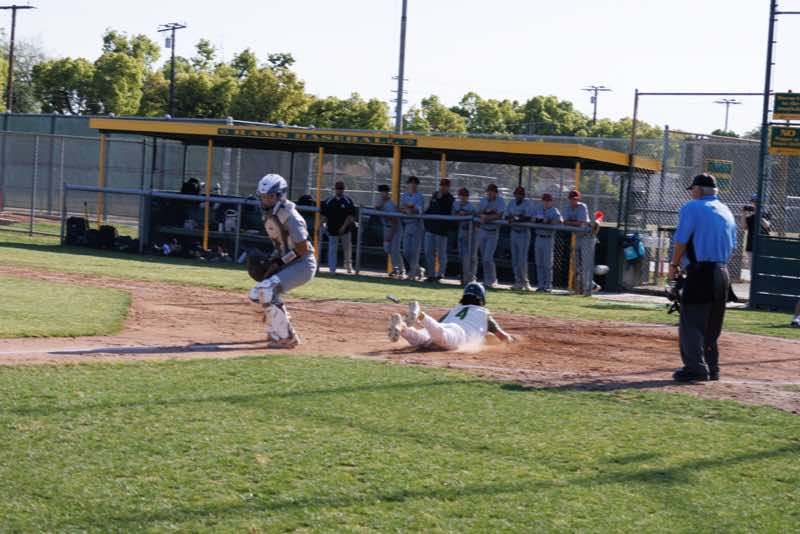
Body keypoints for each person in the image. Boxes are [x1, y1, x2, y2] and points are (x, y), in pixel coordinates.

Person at [668, 173, 736, 382]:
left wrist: (674, 264)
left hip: (701, 273)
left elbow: (681, 240)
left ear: (698, 190)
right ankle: (712, 367)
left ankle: (695, 368)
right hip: (722, 272)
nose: (691, 193)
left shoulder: (692, 207)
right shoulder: (726, 209)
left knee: (691, 323)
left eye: (692, 189)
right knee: (712, 326)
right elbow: (732, 244)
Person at [247, 174, 317, 349]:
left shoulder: (290, 216)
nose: (266, 201)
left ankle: (287, 338)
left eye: (270, 197)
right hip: (289, 263)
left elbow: (303, 248)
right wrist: (273, 261)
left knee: (266, 290)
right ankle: (277, 328)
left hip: (303, 265)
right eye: (263, 197)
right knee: (255, 296)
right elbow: (282, 246)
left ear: (281, 195)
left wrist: (278, 263)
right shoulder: (270, 214)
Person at [387, 282, 515, 350]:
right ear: (482, 298)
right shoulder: (484, 314)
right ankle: (420, 314)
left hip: (444, 326)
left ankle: (402, 328)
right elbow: (503, 337)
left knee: (422, 341)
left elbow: (437, 325)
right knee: (440, 337)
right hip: (458, 334)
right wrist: (513, 342)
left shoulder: (456, 309)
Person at [321, 180, 356, 275]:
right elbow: (324, 216)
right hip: (332, 229)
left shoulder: (348, 201)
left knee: (347, 249)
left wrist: (343, 227)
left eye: (341, 188)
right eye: (338, 188)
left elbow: (350, 216)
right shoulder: (328, 201)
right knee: (332, 249)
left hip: (345, 230)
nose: (340, 190)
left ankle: (348, 266)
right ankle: (332, 269)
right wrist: (322, 226)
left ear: (344, 189)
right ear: (335, 189)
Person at [423, 178, 455, 282]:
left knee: (441, 253)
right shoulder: (434, 195)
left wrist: (440, 199)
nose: (443, 187)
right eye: (442, 185)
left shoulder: (450, 198)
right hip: (431, 228)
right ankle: (431, 274)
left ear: (448, 187)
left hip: (441, 230)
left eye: (445, 186)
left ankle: (440, 274)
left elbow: (446, 210)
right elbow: (429, 209)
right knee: (428, 252)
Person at [504, 186, 535, 291]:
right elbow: (506, 216)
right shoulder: (511, 203)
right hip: (514, 232)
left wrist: (515, 218)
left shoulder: (527, 203)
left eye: (520, 194)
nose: (518, 196)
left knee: (522, 260)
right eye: (517, 194)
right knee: (515, 260)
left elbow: (528, 217)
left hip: (523, 233)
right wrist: (514, 217)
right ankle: (518, 282)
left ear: (523, 195)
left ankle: (526, 282)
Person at [475, 183, 506, 288]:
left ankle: (492, 280)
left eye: (491, 191)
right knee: (484, 258)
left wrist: (487, 217)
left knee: (488, 257)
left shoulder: (500, 201)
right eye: (488, 191)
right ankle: (488, 280)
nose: (489, 193)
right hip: (483, 230)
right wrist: (483, 215)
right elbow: (478, 213)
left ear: (495, 192)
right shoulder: (483, 200)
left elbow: (500, 215)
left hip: (493, 232)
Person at [563, 190, 593, 295]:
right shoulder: (567, 207)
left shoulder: (582, 206)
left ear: (578, 199)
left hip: (587, 237)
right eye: (571, 199)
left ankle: (587, 289)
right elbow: (564, 222)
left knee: (585, 265)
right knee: (576, 265)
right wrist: (573, 223)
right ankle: (591, 286)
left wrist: (570, 222)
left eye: (575, 199)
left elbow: (580, 222)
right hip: (578, 237)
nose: (573, 200)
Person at [533, 193, 563, 292]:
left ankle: (548, 286)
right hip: (538, 237)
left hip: (548, 238)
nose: (546, 202)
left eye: (548, 200)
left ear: (551, 201)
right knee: (539, 263)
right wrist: (537, 220)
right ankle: (540, 285)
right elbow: (532, 219)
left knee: (547, 264)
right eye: (544, 200)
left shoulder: (554, 210)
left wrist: (549, 221)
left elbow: (560, 221)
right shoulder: (538, 208)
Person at [400, 176, 425, 281]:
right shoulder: (404, 195)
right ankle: (418, 270)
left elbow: (418, 210)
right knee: (406, 251)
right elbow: (401, 208)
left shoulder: (419, 196)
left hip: (417, 225)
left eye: (415, 183)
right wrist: (407, 209)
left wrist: (410, 209)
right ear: (408, 184)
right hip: (407, 224)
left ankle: (412, 274)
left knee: (415, 251)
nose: (413, 185)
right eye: (411, 183)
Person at [376, 184, 403, 277]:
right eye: (381, 192)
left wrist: (389, 236)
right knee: (388, 249)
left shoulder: (390, 204)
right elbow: (377, 207)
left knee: (394, 250)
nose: (382, 194)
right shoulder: (381, 201)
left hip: (395, 229)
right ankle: (396, 269)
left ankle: (401, 270)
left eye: (384, 192)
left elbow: (395, 222)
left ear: (387, 193)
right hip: (386, 227)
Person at [741, 193, 771, 272]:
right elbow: (744, 227)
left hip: (763, 245)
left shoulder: (765, 215)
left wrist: (758, 214)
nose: (755, 204)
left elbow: (767, 226)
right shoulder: (750, 217)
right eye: (753, 202)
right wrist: (743, 213)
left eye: (757, 202)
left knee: (763, 269)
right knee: (752, 270)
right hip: (751, 246)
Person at [452, 187, 477, 284]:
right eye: (461, 195)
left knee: (469, 256)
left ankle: (469, 277)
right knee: (461, 256)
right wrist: (459, 213)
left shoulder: (471, 206)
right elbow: (453, 214)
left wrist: (465, 213)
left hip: (470, 233)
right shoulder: (456, 204)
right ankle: (464, 276)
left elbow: (474, 217)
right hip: (460, 231)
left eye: (465, 195)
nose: (463, 197)